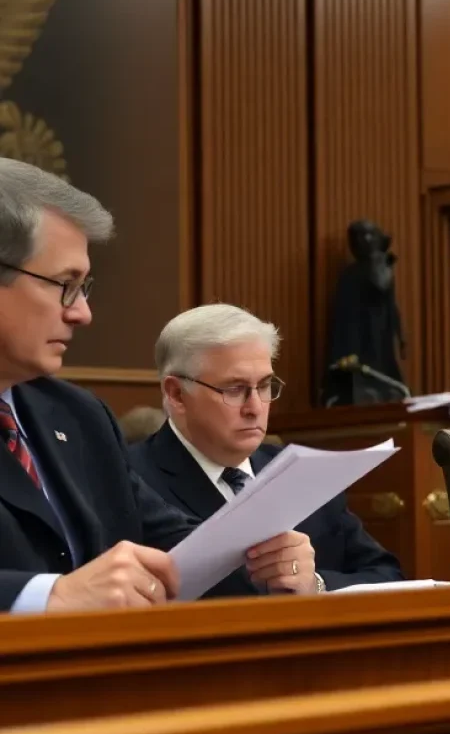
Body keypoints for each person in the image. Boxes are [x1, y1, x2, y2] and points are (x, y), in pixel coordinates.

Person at [0, 159, 315, 613]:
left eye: (84, 287)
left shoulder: (78, 415)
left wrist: (267, 564)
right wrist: (47, 597)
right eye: (65, 285)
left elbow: (178, 549)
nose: (82, 313)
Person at [130, 304, 403, 596]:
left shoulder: (303, 472)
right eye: (234, 389)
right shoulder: (127, 478)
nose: (256, 408)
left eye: (264, 386)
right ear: (177, 394)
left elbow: (390, 578)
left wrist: (316, 585)